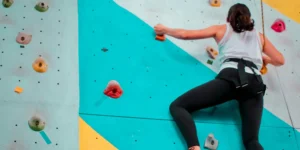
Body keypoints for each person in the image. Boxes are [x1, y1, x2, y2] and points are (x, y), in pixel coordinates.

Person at [154, 3, 285, 150]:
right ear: (249, 19)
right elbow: (280, 60)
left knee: (178, 106)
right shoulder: (259, 37)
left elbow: (185, 35)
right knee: (252, 140)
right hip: (255, 85)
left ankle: (194, 146)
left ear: (228, 18)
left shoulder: (222, 29)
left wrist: (164, 29)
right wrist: (266, 59)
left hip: (231, 79)